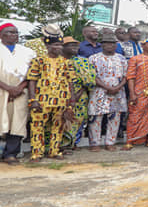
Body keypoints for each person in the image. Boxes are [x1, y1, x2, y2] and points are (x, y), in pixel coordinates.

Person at [25, 26, 75, 161]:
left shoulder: (67, 62)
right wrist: (32, 99)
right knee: (37, 126)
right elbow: (31, 81)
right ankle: (37, 153)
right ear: (47, 45)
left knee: (58, 127)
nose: (58, 48)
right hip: (42, 100)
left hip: (61, 100)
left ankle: (54, 151)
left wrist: (72, 101)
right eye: (55, 45)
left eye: (60, 45)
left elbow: (70, 82)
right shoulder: (38, 60)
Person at [87, 30, 128, 151]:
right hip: (99, 90)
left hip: (118, 91)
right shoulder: (93, 58)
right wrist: (108, 87)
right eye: (107, 43)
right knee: (95, 117)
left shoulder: (121, 58)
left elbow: (126, 76)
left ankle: (110, 142)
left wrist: (117, 87)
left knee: (115, 117)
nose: (111, 46)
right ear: (102, 45)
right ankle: (95, 143)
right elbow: (92, 76)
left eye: (113, 44)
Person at [0, 22, 35, 163]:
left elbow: (33, 73)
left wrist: (19, 88)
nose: (15, 35)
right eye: (10, 32)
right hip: (2, 90)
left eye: (16, 32)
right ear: (1, 35)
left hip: (21, 91)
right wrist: (8, 89)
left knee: (18, 122)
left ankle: (11, 154)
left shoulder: (27, 52)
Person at [61, 37, 96, 151]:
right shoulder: (57, 61)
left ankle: (73, 143)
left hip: (80, 96)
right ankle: (59, 145)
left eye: (76, 45)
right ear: (63, 47)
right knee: (60, 120)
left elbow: (90, 80)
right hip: (59, 96)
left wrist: (77, 94)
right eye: (71, 45)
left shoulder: (83, 61)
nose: (75, 48)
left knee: (77, 120)